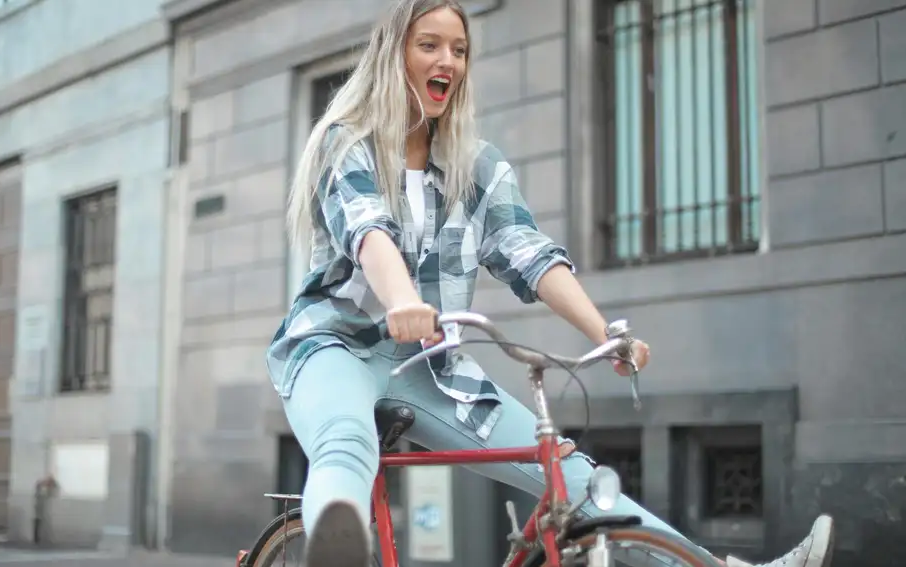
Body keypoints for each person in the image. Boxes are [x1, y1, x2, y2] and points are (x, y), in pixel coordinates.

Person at [266, 1, 835, 566]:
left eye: (459, 50)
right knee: (345, 441)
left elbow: (532, 255)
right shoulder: (350, 143)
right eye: (429, 45)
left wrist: (605, 333)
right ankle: (334, 548)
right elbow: (370, 234)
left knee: (574, 478)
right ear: (395, 56)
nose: (448, 61)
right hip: (333, 346)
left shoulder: (477, 168)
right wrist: (404, 301)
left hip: (432, 368)